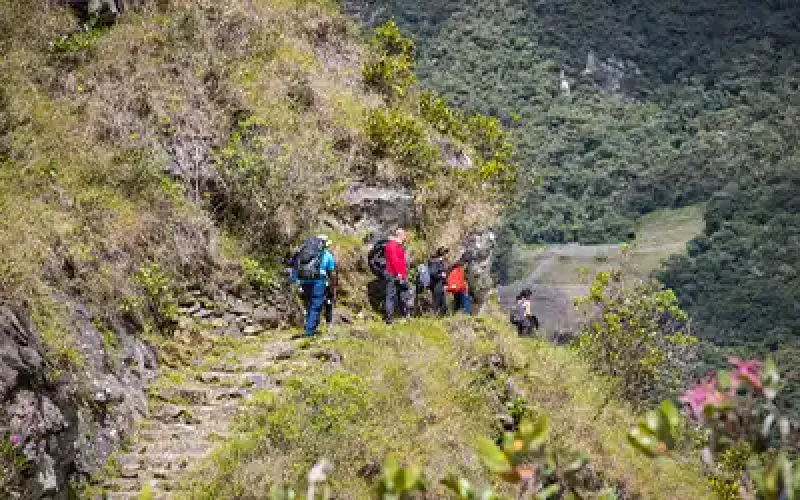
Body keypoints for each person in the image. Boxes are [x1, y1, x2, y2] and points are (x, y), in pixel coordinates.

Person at [293, 235, 337, 337]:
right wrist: (332, 287)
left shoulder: (304, 252)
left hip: (304, 281)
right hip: (318, 281)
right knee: (316, 306)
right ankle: (309, 332)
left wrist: (297, 281)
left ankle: (310, 326)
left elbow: (295, 265)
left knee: (309, 304)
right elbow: (332, 274)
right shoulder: (327, 255)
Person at [384, 228, 409, 324]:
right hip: (393, 274)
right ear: (400, 235)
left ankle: (404, 315)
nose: (406, 237)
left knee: (403, 294)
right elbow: (395, 260)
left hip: (399, 274)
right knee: (391, 295)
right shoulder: (393, 245)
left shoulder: (397, 246)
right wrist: (398, 273)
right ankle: (389, 319)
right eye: (404, 235)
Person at [427, 247, 450, 316]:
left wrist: (445, 284)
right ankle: (433, 319)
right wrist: (441, 275)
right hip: (436, 286)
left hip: (440, 285)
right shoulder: (435, 262)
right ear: (443, 254)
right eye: (446, 253)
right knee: (437, 304)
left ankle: (438, 319)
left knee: (443, 306)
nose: (447, 255)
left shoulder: (440, 262)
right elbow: (433, 273)